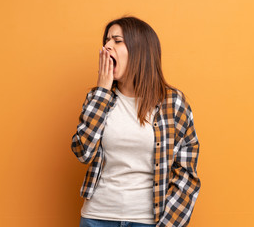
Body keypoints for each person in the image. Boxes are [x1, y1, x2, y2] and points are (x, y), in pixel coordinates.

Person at [71, 16, 201, 227]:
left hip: (148, 221)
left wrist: (169, 225)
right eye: (106, 40)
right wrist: (102, 92)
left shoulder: (173, 103)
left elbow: (187, 175)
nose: (106, 46)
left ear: (139, 50)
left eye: (116, 40)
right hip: (97, 218)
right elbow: (83, 152)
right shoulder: (97, 98)